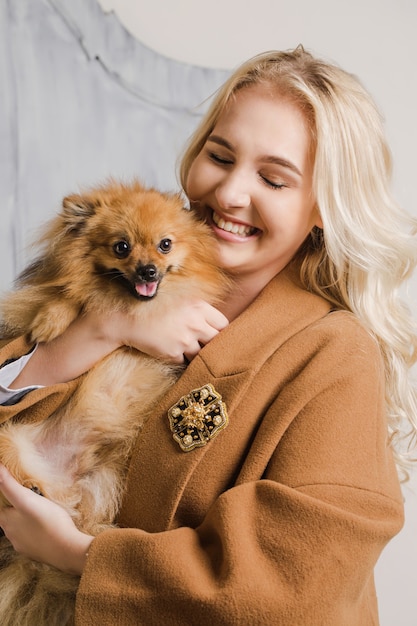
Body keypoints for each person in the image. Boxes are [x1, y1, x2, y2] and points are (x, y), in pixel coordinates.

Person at [0, 45, 416, 625]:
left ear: (323, 207)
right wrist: (99, 331)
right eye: (220, 156)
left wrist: (81, 556)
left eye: (273, 178)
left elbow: (298, 585)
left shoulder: (333, 353)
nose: (229, 194)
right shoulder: (121, 284)